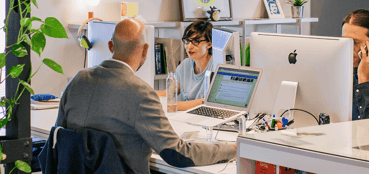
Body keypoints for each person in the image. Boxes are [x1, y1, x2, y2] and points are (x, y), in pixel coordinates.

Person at [56, 19, 235, 173]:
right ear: (146, 50)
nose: (189, 46)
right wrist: (230, 149)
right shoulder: (141, 93)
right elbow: (177, 154)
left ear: (111, 46)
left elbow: (59, 135)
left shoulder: (77, 80)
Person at [175, 21, 213, 111]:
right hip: (186, 118)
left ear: (209, 44)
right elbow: (170, 91)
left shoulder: (216, 66)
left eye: (196, 41)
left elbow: (210, 102)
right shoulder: (185, 65)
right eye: (187, 41)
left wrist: (174, 106)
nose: (189, 47)